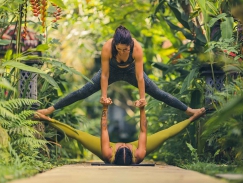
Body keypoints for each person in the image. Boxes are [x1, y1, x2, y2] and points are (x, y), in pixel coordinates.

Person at [37, 25, 205, 117]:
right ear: (115, 45)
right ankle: (49, 110)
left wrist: (141, 99)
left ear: (130, 45)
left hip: (132, 72)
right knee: (83, 91)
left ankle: (190, 111)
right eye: (120, 49)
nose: (123, 52)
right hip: (111, 71)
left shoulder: (136, 48)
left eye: (126, 49)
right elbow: (104, 75)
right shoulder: (107, 48)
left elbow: (140, 76)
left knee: (158, 93)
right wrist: (103, 96)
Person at [34, 98, 205, 165]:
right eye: (126, 145)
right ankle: (192, 117)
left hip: (106, 147)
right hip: (127, 151)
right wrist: (142, 109)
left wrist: (105, 108)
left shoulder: (108, 152)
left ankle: (46, 119)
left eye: (123, 145)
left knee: (78, 135)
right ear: (132, 151)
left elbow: (103, 127)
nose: (124, 143)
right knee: (165, 134)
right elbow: (144, 130)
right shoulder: (139, 152)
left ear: (115, 152)